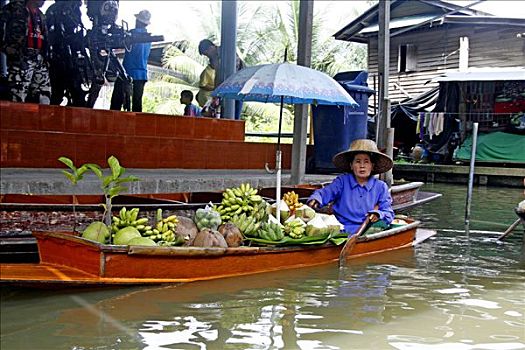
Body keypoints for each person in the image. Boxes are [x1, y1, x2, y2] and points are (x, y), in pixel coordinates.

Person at [307, 139, 395, 235]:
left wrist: (378, 214)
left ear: (372, 166)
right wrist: (316, 199)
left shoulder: (381, 187)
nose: (362, 166)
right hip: (340, 230)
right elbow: (324, 193)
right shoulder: (342, 181)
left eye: (366, 162)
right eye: (358, 161)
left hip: (366, 231)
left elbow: (388, 213)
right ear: (351, 165)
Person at [0, 0, 51, 104]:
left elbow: (44, 36)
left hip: (38, 59)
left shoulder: (40, 15)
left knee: (43, 96)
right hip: (20, 60)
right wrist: (8, 49)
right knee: (17, 96)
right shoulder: (13, 9)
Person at [45, 0, 86, 106]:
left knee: (77, 95)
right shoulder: (54, 10)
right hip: (58, 58)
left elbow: (77, 29)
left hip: (72, 58)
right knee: (56, 93)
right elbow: (50, 35)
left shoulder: (75, 9)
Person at [110, 9, 152, 112]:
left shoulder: (131, 34)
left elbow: (117, 41)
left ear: (137, 21)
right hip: (141, 74)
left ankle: (111, 125)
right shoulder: (149, 38)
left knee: (116, 102)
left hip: (127, 72)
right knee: (137, 105)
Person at [197, 39, 244, 120]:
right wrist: (215, 92)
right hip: (225, 88)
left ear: (211, 47)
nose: (208, 56)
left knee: (235, 116)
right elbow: (217, 75)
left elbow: (234, 71)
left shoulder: (227, 51)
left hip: (238, 85)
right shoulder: (213, 59)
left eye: (207, 53)